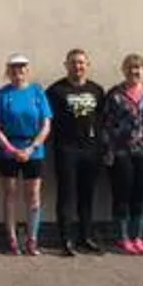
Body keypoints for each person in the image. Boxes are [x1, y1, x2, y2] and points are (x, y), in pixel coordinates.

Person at [101, 54, 143, 255]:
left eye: (138, 68)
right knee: (123, 195)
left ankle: (137, 237)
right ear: (123, 70)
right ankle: (122, 237)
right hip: (121, 152)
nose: (134, 72)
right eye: (130, 68)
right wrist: (108, 150)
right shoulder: (114, 94)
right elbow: (106, 125)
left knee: (141, 195)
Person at [46, 49, 105, 256]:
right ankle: (66, 240)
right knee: (66, 196)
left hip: (91, 150)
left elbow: (101, 121)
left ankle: (86, 237)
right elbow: (48, 122)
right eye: (73, 63)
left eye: (81, 63)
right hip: (66, 149)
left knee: (87, 196)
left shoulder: (97, 90)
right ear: (66, 65)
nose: (77, 66)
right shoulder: (55, 90)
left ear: (87, 65)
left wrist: (103, 147)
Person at [0, 54, 51, 256]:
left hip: (33, 149)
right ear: (8, 72)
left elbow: (46, 124)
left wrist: (32, 148)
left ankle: (32, 239)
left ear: (27, 71)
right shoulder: (2, 95)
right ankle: (12, 239)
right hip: (9, 150)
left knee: (33, 195)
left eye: (22, 69)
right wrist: (11, 149)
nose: (18, 74)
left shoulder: (37, 92)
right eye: (14, 70)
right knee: (10, 194)